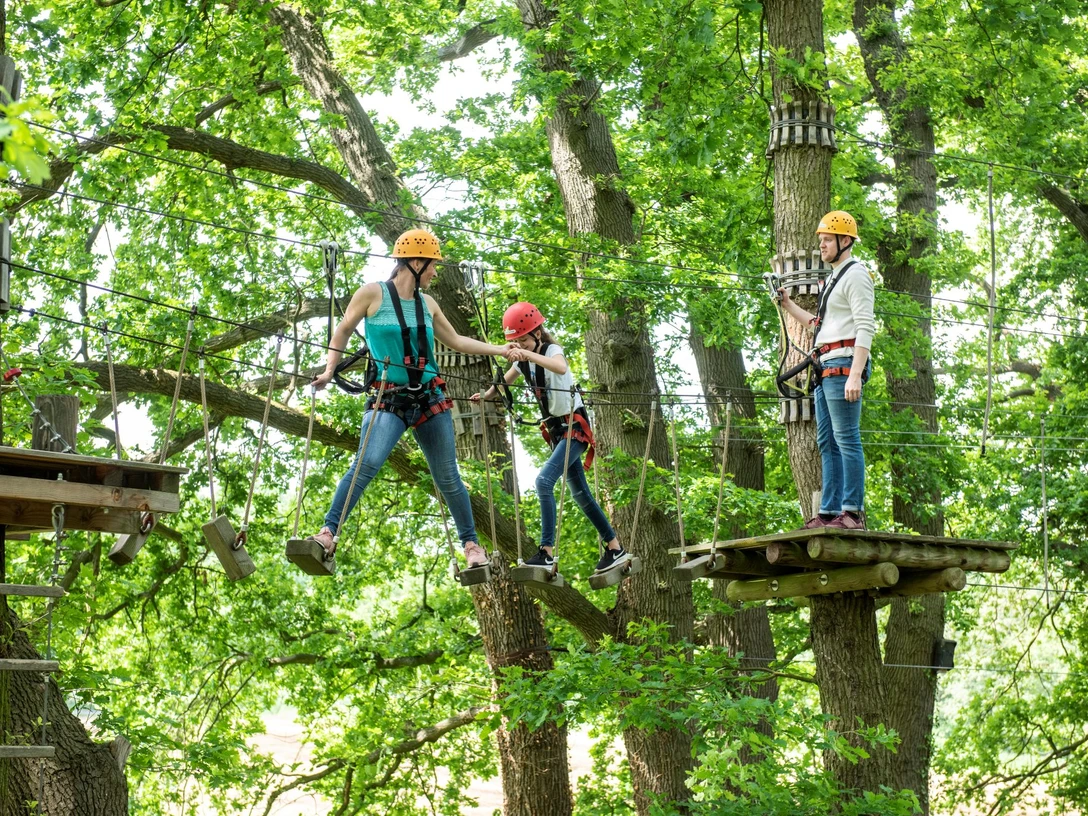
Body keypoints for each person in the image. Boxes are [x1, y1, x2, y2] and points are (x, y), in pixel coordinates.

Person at [305, 229, 517, 568]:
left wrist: (501, 349)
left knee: (448, 476)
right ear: (416, 262)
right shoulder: (372, 294)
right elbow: (343, 329)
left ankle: (472, 547)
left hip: (430, 400)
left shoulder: (428, 303)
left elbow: (458, 341)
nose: (435, 272)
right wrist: (330, 370)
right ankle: (328, 532)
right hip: (388, 399)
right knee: (366, 462)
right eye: (432, 265)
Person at [471, 302, 629, 573]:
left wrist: (528, 356)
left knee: (543, 482)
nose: (519, 344)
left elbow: (558, 367)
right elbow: (504, 383)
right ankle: (615, 549)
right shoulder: (523, 362)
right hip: (557, 433)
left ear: (538, 334)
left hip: (574, 428)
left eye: (522, 339)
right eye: (515, 341)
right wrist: (486, 395)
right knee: (581, 495)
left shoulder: (551, 350)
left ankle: (546, 552)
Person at [776, 211, 875, 530]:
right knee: (827, 442)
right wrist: (788, 305)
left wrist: (856, 373)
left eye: (827, 240)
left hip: (844, 364)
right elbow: (820, 326)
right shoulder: (834, 278)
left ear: (845, 241)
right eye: (821, 240)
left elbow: (865, 327)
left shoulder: (856, 274)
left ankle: (852, 512)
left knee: (846, 438)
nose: (822, 245)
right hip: (825, 365)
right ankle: (830, 512)